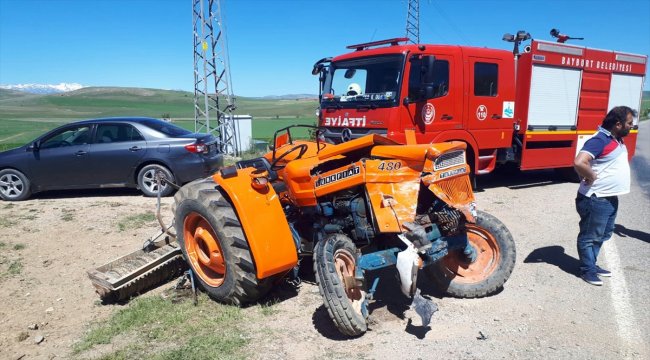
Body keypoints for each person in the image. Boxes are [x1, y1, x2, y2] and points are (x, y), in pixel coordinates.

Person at [573, 106, 636, 286]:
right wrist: (591, 175)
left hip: (609, 197)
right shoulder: (600, 140)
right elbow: (579, 161)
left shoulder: (615, 139)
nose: (631, 126)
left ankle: (591, 264)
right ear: (618, 124)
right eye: (629, 123)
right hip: (596, 198)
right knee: (590, 235)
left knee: (603, 234)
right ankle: (587, 270)